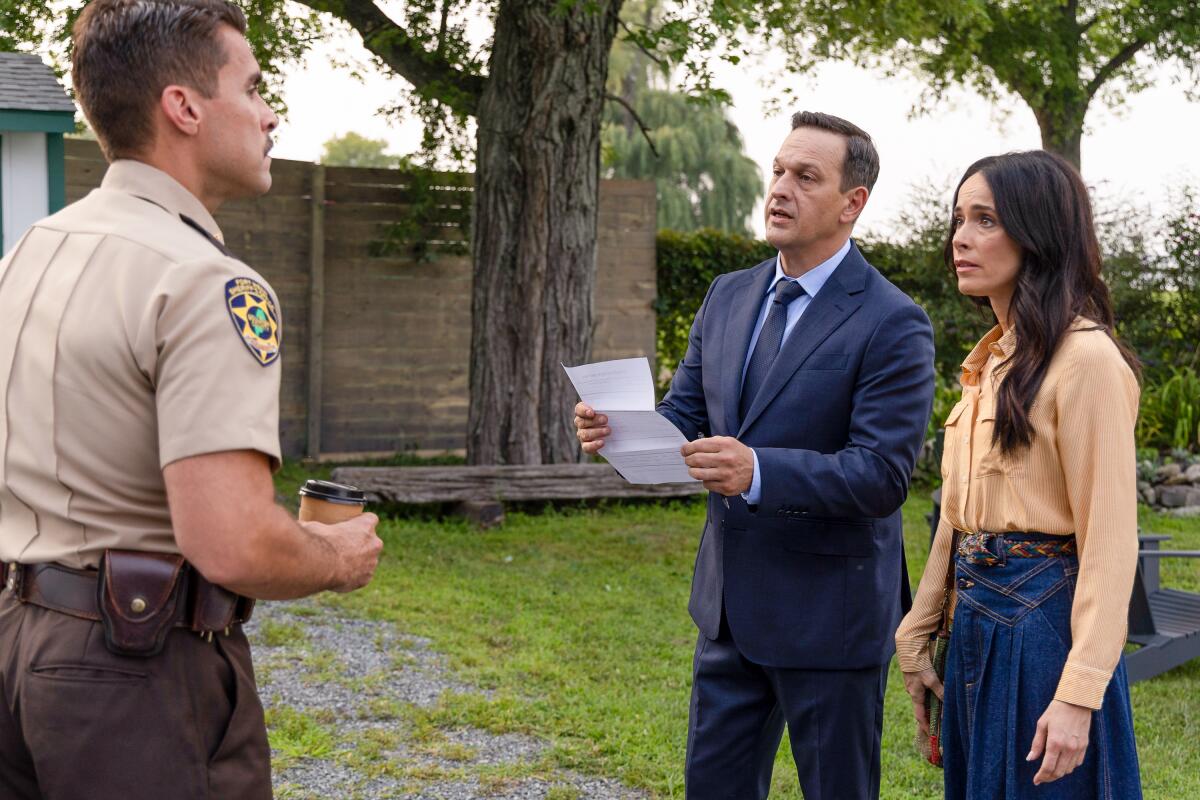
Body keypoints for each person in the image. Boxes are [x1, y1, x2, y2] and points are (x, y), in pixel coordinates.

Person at [0, 1, 383, 798]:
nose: (269, 114)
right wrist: (335, 559)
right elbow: (232, 542)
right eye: (252, 87)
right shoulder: (206, 281)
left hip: (15, 644)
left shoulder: (31, 251)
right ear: (184, 107)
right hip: (135, 675)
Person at [576, 112, 935, 799]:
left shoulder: (893, 321)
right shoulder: (728, 295)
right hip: (728, 611)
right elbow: (686, 414)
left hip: (831, 618)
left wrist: (760, 471)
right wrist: (618, 428)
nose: (780, 188)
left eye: (806, 177)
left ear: (853, 203)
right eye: (778, 170)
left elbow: (882, 475)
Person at [895, 150, 1143, 798]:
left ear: (1038, 233)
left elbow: (1110, 546)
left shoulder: (1085, 360)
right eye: (959, 219)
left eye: (986, 220)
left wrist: (1078, 695)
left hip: (1044, 634)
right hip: (975, 626)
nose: (961, 238)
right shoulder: (990, 366)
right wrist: (918, 628)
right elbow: (960, 517)